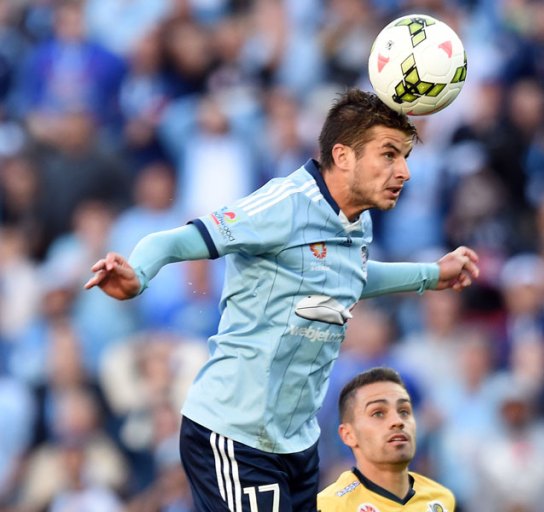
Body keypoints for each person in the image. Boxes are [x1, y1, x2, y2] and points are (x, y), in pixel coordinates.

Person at [84, 89, 479, 511]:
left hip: (295, 442)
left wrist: (431, 275)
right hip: (236, 433)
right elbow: (177, 240)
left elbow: (351, 277)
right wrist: (138, 276)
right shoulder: (283, 205)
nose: (403, 172)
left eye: (404, 157)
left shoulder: (356, 221)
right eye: (389, 155)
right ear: (343, 156)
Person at [317, 367, 455, 511]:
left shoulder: (441, 499)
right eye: (378, 413)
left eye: (404, 411)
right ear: (348, 435)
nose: (398, 421)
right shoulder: (331, 506)